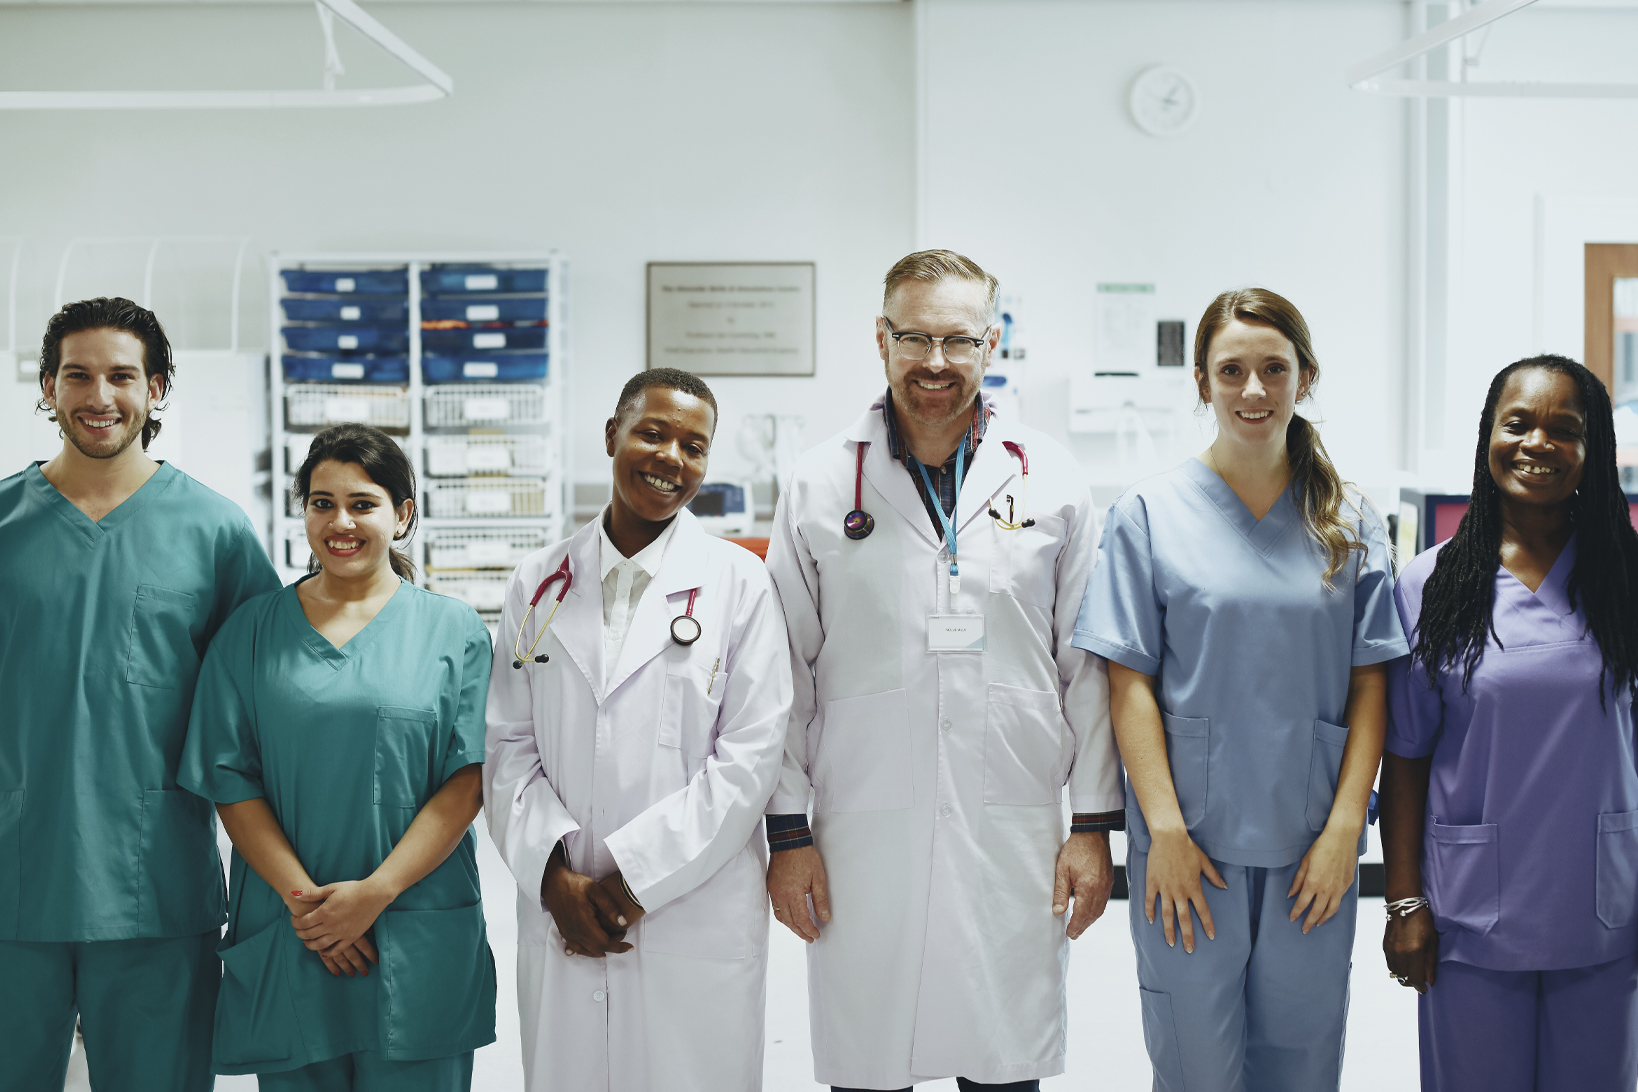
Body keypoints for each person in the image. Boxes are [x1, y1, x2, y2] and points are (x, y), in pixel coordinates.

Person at [762, 250, 1121, 1092]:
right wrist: (787, 833)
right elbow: (784, 675)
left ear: (991, 345)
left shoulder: (1053, 478)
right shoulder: (820, 482)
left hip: (1013, 825)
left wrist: (1094, 825)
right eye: (913, 337)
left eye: (956, 340)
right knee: (868, 1062)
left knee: (1001, 1062)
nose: (933, 361)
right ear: (880, 340)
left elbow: (1089, 667)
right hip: (860, 826)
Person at [1072, 287, 1408, 1091]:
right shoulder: (1147, 514)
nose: (1253, 390)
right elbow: (1129, 683)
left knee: (1300, 1064)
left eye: (1273, 369)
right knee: (1194, 1066)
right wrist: (1166, 832)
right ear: (1201, 382)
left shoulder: (1349, 518)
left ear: (1304, 376)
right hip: (1190, 850)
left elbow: (1372, 689)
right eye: (1232, 370)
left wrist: (1341, 836)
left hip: (1310, 853)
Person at [0, 297, 281, 1092]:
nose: (99, 396)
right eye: (77, 375)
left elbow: (270, 700)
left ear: (157, 388)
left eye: (122, 376)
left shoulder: (214, 532)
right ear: (47, 388)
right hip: (14, 882)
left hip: (154, 887)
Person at [485, 368, 792, 1092]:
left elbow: (749, 759)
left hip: (691, 908)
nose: (670, 459)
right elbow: (506, 744)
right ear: (612, 436)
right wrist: (551, 877)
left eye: (694, 445)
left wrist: (631, 887)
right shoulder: (538, 581)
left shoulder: (739, 583)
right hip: (562, 903)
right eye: (652, 432)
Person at [178, 423, 495, 1090]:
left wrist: (374, 896)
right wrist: (312, 909)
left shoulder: (454, 630)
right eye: (322, 503)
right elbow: (230, 782)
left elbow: (467, 781)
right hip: (297, 932)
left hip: (414, 922)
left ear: (403, 515)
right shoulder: (252, 632)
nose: (340, 522)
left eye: (363, 503)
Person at [1380, 355, 1638, 1090]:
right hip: (1471, 920)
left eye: (1566, 430)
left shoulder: (1626, 581)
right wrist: (1404, 903)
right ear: (1487, 436)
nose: (1537, 444)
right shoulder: (1428, 585)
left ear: (1593, 452)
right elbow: (1405, 756)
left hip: (1602, 911)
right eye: (1517, 423)